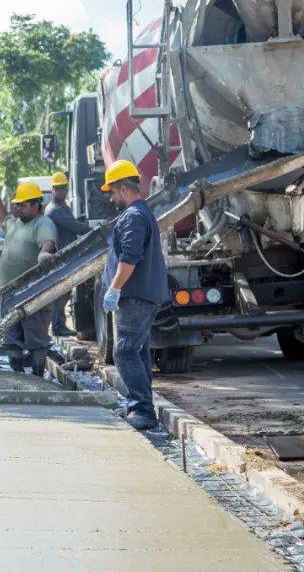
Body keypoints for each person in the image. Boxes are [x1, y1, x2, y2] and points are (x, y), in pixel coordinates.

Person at [100, 159, 169, 431]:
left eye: (112, 192)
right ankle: (138, 406)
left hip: (135, 297)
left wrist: (114, 288)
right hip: (143, 295)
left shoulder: (133, 216)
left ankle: (142, 411)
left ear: (122, 188)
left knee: (125, 352)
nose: (112, 198)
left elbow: (129, 258)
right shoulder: (142, 213)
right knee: (138, 352)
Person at [0, 180, 57, 375]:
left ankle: (37, 377)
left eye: (23, 205)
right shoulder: (15, 224)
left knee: (36, 340)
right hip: (9, 294)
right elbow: (3, 218)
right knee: (11, 340)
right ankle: (18, 377)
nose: (18, 208)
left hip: (32, 294)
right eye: (17, 204)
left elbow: (48, 240)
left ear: (36, 205)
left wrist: (45, 253)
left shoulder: (42, 223)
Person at [45, 172, 90, 336]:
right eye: (58, 188)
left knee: (64, 292)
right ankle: (57, 327)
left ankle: (59, 324)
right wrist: (93, 229)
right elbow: (73, 226)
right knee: (61, 292)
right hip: (60, 257)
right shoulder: (54, 210)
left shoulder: (62, 207)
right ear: (53, 190)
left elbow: (73, 222)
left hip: (66, 255)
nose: (61, 191)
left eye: (63, 188)